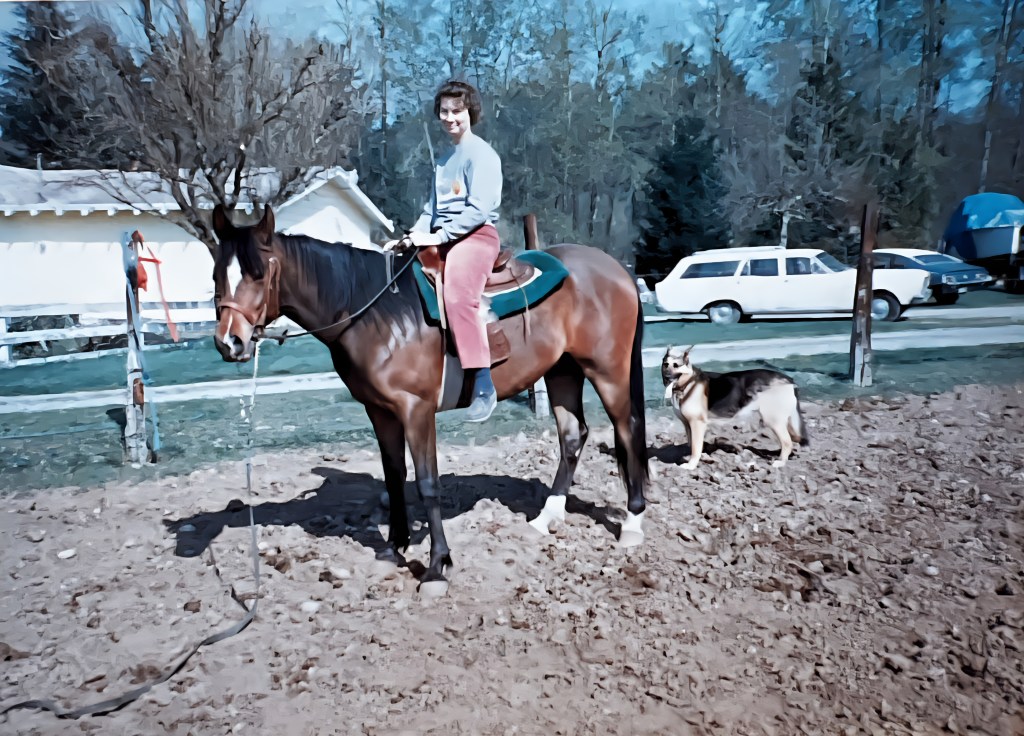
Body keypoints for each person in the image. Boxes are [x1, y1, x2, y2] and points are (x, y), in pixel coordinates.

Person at [385, 80, 503, 422]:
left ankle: (483, 384)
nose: (450, 118)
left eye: (457, 111)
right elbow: (431, 210)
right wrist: (412, 236)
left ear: (471, 113)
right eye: (444, 111)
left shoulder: (482, 155)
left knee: (458, 296)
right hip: (442, 236)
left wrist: (439, 236)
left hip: (476, 236)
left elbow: (479, 210)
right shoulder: (443, 160)